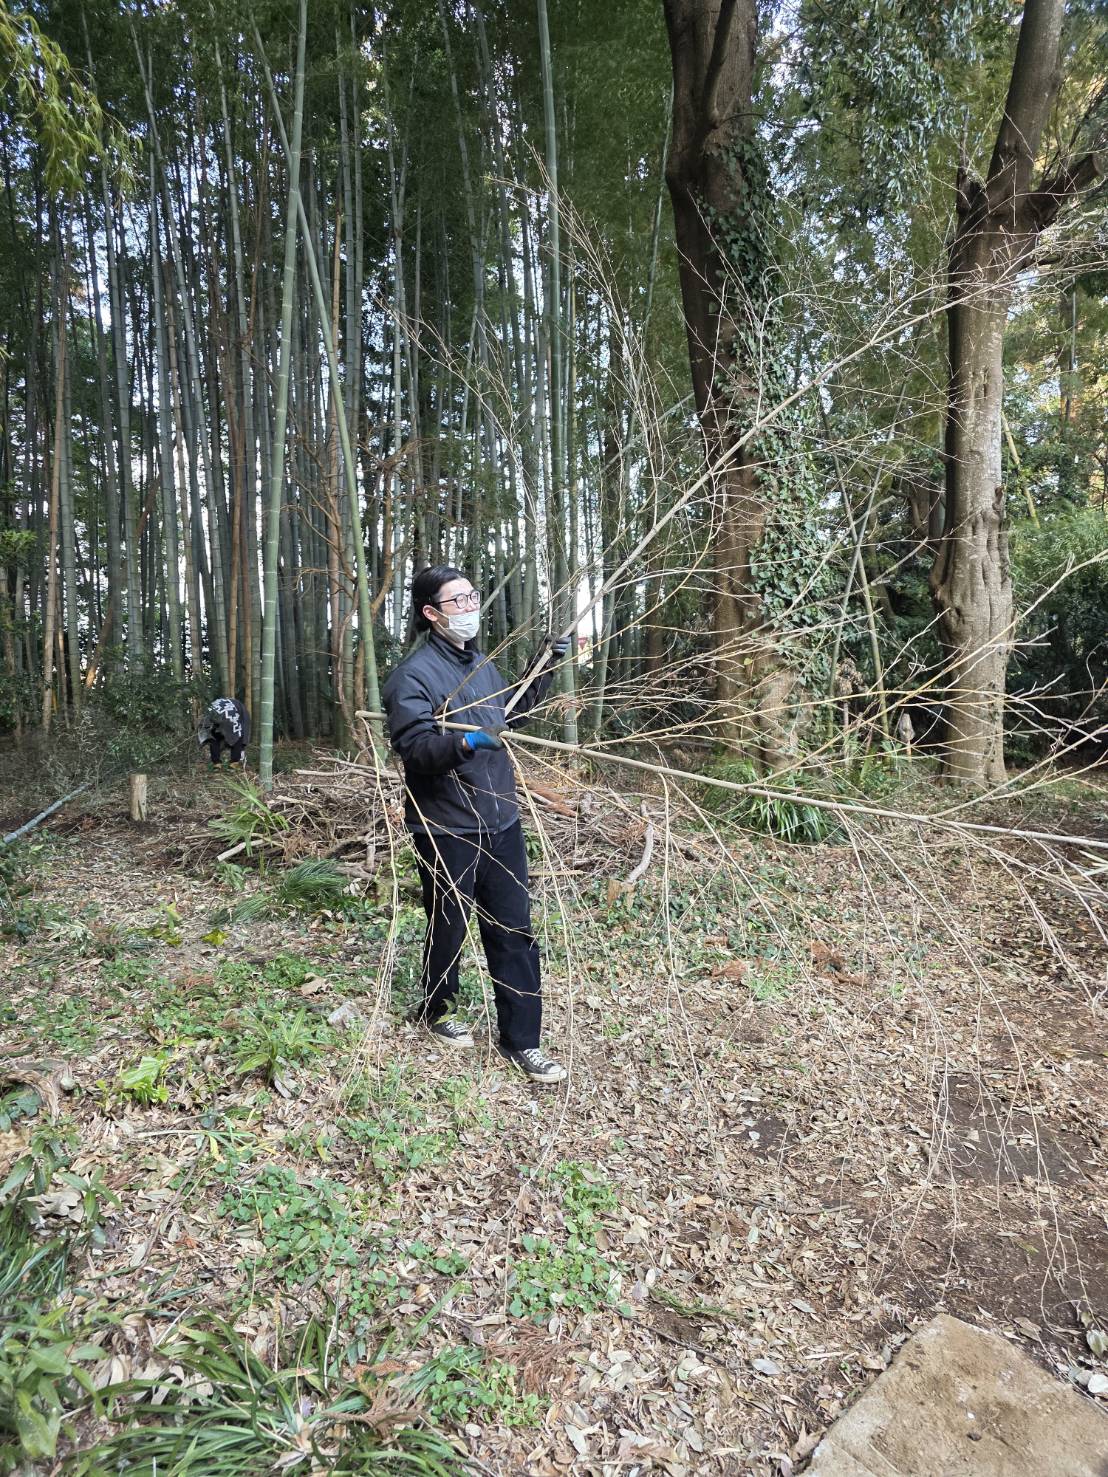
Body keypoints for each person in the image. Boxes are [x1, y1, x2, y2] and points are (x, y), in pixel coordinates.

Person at [382, 566, 570, 1084]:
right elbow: (416, 749)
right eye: (457, 600)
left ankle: (522, 1041)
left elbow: (510, 716)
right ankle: (437, 1008)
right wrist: (463, 742)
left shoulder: (482, 665)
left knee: (514, 929)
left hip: (499, 817)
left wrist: (543, 668)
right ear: (431, 613)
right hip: (444, 823)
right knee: (449, 923)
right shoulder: (412, 676)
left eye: (471, 597)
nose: (470, 607)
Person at [198, 697, 250, 768]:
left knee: (214, 736)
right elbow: (242, 734)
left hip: (214, 714)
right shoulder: (242, 709)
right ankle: (234, 762)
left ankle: (216, 762)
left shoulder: (218, 702)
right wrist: (243, 745)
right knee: (238, 736)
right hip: (230, 717)